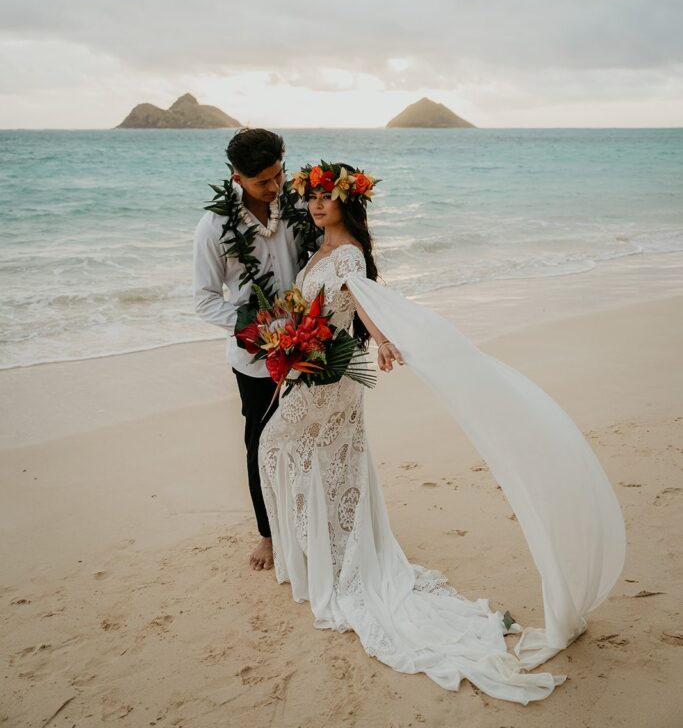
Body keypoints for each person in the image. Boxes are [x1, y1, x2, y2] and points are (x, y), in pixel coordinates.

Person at [255, 161, 626, 704]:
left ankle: (329, 564)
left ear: (346, 203)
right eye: (311, 196)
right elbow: (316, 305)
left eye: (326, 197)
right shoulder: (319, 249)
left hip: (333, 375)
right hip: (317, 369)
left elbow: (358, 297)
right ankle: (324, 558)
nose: (316, 205)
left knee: (285, 449)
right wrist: (285, 340)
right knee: (310, 456)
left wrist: (381, 340)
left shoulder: (348, 255)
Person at [193, 128, 308, 572]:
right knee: (261, 443)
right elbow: (204, 298)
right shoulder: (214, 226)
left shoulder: (298, 205)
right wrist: (254, 326)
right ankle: (268, 534)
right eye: (263, 180)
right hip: (255, 359)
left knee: (307, 436)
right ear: (236, 177)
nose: (275, 186)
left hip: (310, 344)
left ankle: (308, 517)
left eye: (279, 173)